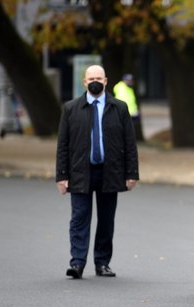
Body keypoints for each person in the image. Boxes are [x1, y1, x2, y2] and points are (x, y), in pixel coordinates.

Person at [56, 65, 139, 279]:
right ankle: (77, 263)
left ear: (105, 81)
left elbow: (129, 143)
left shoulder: (119, 108)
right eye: (91, 78)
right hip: (80, 172)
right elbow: (63, 145)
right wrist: (61, 175)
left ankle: (102, 263)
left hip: (110, 172)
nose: (95, 81)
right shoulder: (71, 108)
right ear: (84, 82)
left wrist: (132, 173)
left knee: (106, 220)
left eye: (99, 78)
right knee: (79, 219)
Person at [113, 73, 143, 141]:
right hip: (126, 114)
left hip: (131, 114)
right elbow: (123, 101)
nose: (131, 82)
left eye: (131, 80)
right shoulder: (121, 88)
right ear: (124, 80)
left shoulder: (128, 88)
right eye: (128, 80)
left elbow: (131, 101)